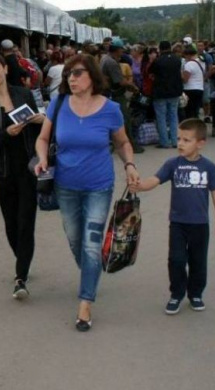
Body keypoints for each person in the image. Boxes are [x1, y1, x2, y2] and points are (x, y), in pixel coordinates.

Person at [33, 54, 139, 332]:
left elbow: (123, 142)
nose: (71, 78)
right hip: (65, 185)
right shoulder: (58, 104)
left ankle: (85, 302)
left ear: (92, 75)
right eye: (68, 73)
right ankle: (90, 273)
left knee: (91, 244)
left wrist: (129, 164)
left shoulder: (111, 109)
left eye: (77, 72)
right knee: (75, 240)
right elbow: (43, 138)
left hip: (99, 186)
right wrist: (42, 158)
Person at [129, 118, 215, 315]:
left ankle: (196, 293)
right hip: (178, 223)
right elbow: (155, 180)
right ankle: (176, 294)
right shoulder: (172, 164)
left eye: (187, 140)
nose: (180, 143)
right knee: (176, 259)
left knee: (198, 261)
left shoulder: (209, 167)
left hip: (200, 224)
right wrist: (140, 186)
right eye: (179, 138)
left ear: (200, 143)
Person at [0, 52, 44, 298]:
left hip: (28, 169)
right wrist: (7, 133)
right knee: (11, 224)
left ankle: (20, 277)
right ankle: (22, 259)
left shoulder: (23, 95)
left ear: (5, 69)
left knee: (26, 223)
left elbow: (40, 133)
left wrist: (39, 120)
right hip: (3, 173)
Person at [101, 38, 142, 152]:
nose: (122, 52)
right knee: (125, 119)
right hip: (115, 94)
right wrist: (133, 87)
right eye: (121, 50)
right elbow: (120, 81)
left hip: (107, 94)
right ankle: (131, 145)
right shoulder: (111, 62)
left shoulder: (105, 59)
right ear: (117, 50)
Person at [150, 40, 183, 148]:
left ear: (160, 48)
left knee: (161, 117)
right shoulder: (177, 60)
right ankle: (175, 141)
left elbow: (150, 72)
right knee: (173, 116)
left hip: (160, 92)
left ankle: (164, 142)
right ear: (170, 47)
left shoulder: (158, 61)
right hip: (174, 91)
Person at [182, 46, 205, 119]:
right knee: (195, 111)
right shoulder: (200, 62)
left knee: (189, 112)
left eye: (185, 56)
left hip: (190, 89)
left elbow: (185, 80)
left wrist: (180, 74)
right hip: (200, 89)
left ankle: (190, 128)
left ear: (188, 55)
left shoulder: (189, 64)